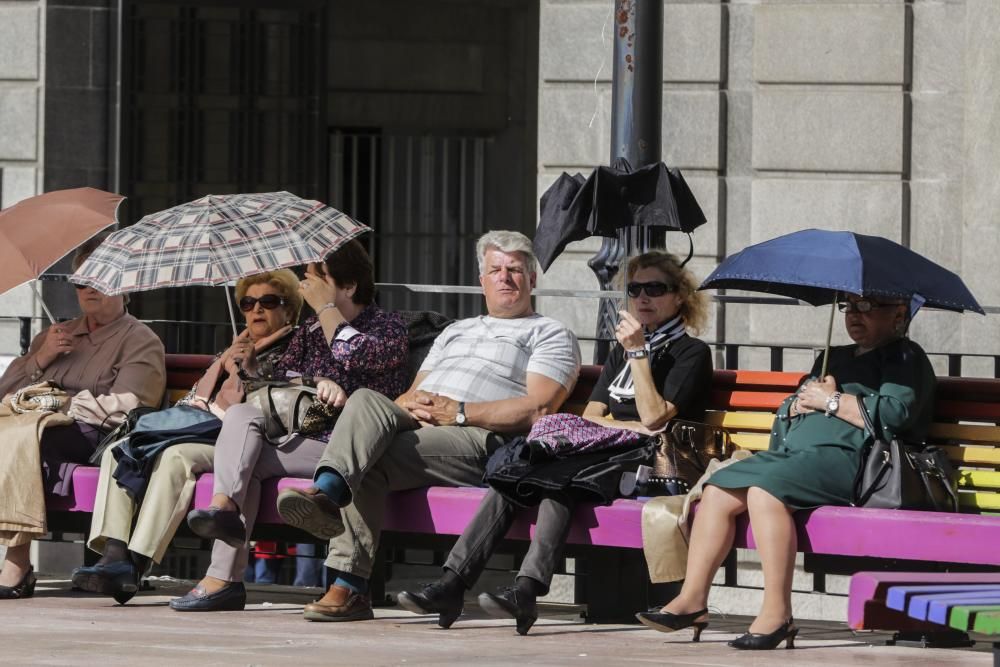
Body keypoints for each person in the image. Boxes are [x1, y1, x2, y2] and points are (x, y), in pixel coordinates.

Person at [398, 251, 714, 634]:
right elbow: (593, 414)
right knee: (517, 475)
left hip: (649, 461)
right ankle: (455, 583)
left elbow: (653, 417)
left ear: (680, 297)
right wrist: (624, 415)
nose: (643, 298)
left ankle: (525, 590)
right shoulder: (622, 352)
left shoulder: (691, 353)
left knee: (559, 480)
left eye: (655, 289)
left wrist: (637, 355)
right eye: (635, 289)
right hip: (602, 449)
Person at [275, 230, 581, 622]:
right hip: (423, 423)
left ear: (533, 279)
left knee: (368, 464)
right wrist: (408, 404)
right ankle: (328, 491)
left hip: (479, 438)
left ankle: (348, 584)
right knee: (367, 399)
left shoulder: (550, 332)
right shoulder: (456, 330)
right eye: (496, 269)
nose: (505, 277)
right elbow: (412, 393)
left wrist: (458, 412)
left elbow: (538, 408)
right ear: (481, 280)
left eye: (516, 270)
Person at [637, 294, 936, 650]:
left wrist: (830, 401)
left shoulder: (905, 356)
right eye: (849, 308)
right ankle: (692, 600)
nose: (856, 316)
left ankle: (777, 613)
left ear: (899, 314)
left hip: (850, 463)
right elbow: (789, 408)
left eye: (868, 308)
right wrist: (797, 404)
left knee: (766, 492)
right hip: (798, 457)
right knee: (716, 490)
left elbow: (895, 416)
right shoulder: (833, 356)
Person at [169, 239, 410, 612]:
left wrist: (327, 310)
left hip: (346, 451)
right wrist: (255, 371)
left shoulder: (388, 326)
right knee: (241, 418)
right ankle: (224, 518)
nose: (306, 286)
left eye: (317, 278)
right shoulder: (311, 330)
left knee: (245, 463)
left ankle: (222, 574)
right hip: (297, 439)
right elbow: (274, 385)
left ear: (348, 285)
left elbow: (354, 353)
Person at [70, 269, 302, 603]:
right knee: (120, 448)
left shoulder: (296, 347)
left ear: (289, 308)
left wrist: (252, 371)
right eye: (248, 303)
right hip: (201, 430)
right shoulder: (234, 348)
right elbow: (195, 400)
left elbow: (277, 408)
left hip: (242, 443)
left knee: (174, 457)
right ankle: (115, 554)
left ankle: (135, 563)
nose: (256, 310)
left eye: (268, 302)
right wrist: (225, 363)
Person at [0, 234, 166, 600]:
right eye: (81, 281)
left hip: (94, 436)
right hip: (38, 427)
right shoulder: (56, 334)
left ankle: (17, 562)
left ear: (123, 284)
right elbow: (6, 392)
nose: (89, 288)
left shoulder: (140, 339)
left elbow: (130, 407)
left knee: (27, 438)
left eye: (100, 279)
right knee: (15, 434)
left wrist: (62, 404)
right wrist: (41, 360)